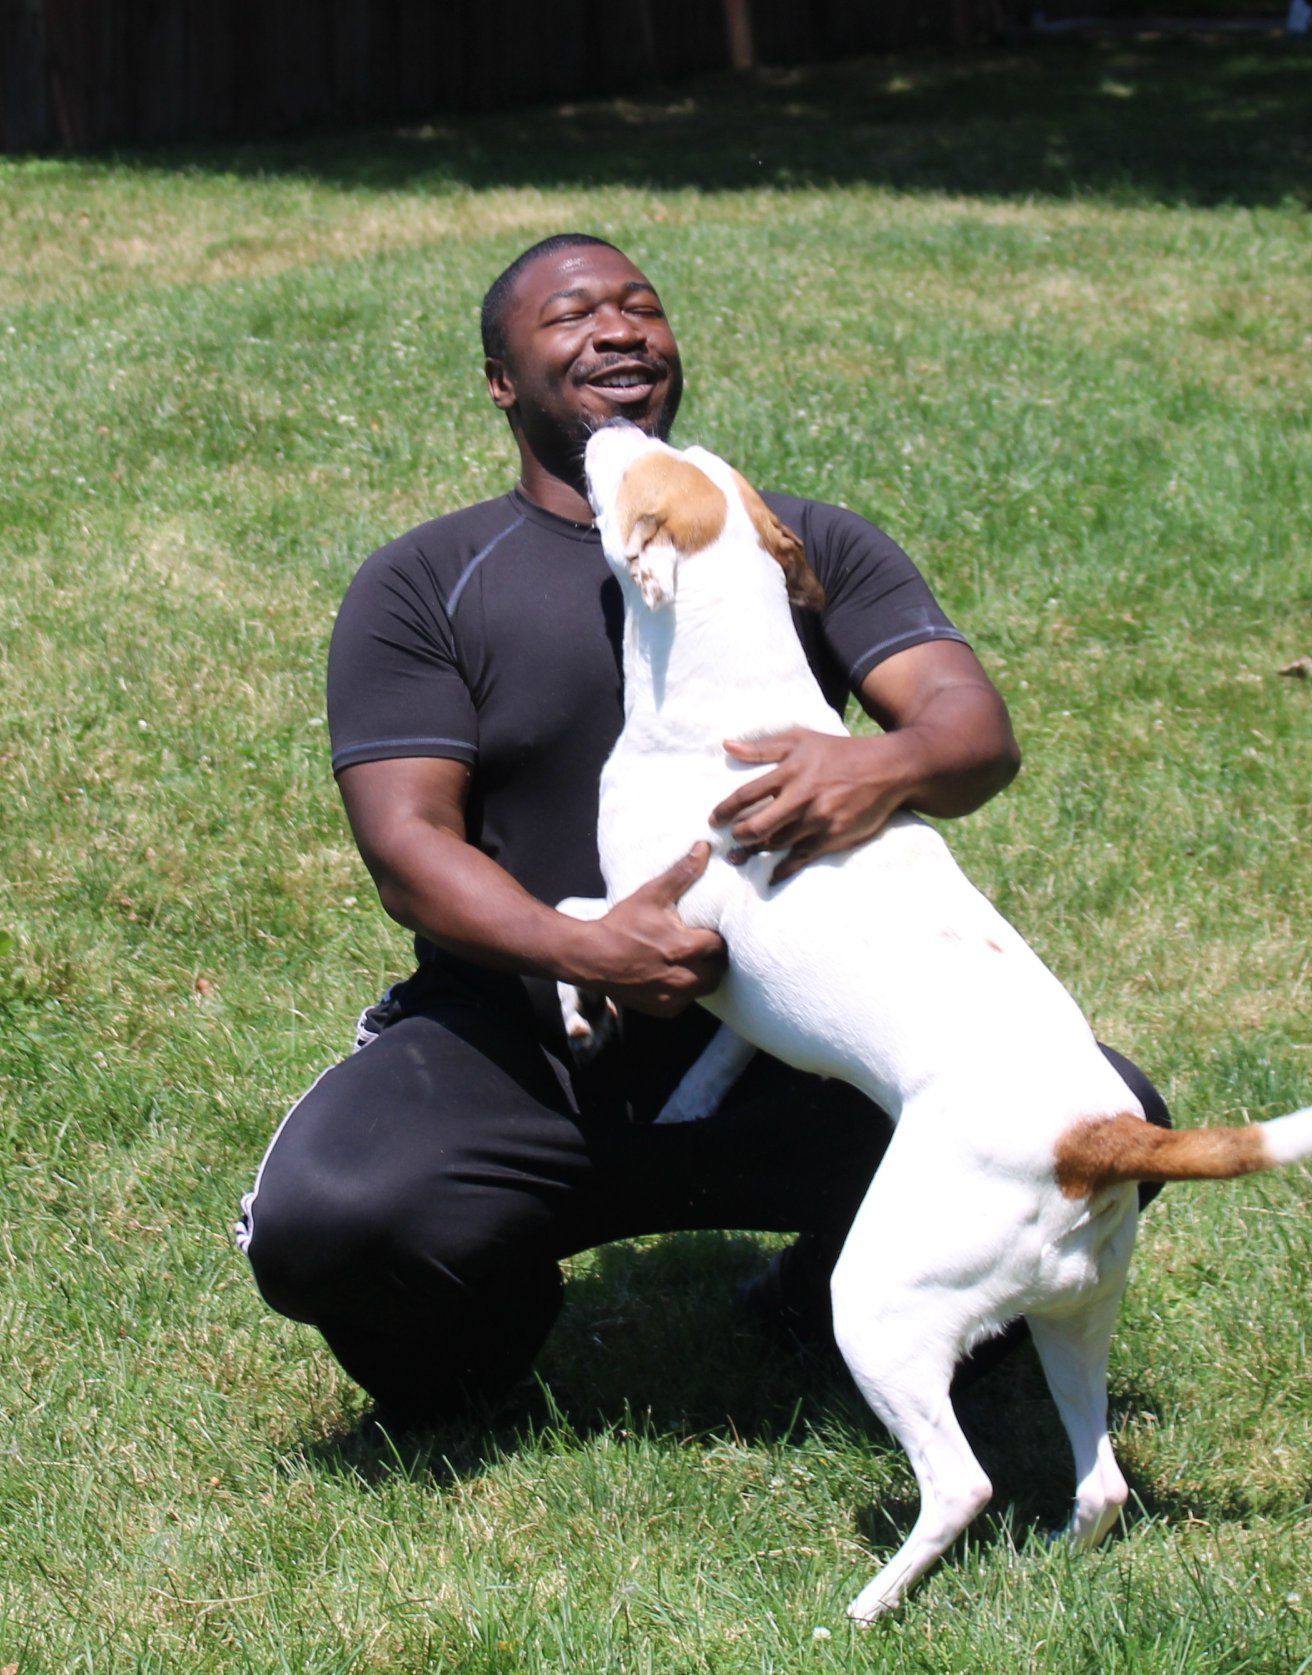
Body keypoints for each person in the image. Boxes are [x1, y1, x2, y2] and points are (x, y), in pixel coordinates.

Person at [236, 233, 1169, 1424]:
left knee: (1101, 1127)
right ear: (500, 379)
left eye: (641, 307)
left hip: (789, 1039)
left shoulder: (794, 538)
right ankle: (480, 1361)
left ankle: (828, 1310)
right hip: (532, 1047)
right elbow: (409, 850)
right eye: (571, 316)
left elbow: (970, 731)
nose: (618, 330)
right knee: (329, 1220)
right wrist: (580, 949)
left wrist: (885, 762)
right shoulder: (426, 580)